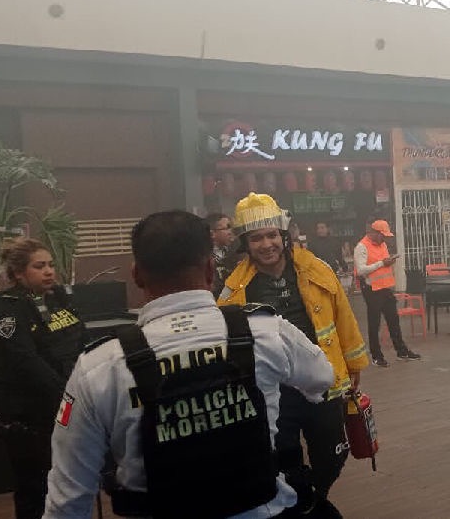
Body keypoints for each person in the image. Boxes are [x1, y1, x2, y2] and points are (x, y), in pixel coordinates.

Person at [44, 210, 335, 518]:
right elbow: (322, 379)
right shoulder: (266, 332)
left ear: (137, 274)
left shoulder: (99, 367)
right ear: (210, 269)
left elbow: (68, 500)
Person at [218, 193, 369, 518]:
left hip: (323, 383)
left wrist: (354, 364)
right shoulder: (233, 288)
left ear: (284, 235)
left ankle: (314, 496)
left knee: (333, 455)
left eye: (272, 235)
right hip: (273, 392)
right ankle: (304, 504)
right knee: (281, 458)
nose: (267, 244)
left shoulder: (318, 269)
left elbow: (344, 317)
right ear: (245, 243)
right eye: (257, 238)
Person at [0, 239, 89, 519]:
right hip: (29, 416)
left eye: (51, 265)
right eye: (39, 266)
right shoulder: (7, 309)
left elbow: (80, 340)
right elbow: (26, 362)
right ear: (19, 273)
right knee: (35, 489)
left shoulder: (59, 299)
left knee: (70, 484)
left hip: (67, 407)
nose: (49, 272)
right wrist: (69, 394)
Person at [353, 219, 421, 367]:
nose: (384, 239)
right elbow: (361, 270)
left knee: (393, 320)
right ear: (374, 233)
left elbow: (383, 263)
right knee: (374, 323)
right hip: (371, 290)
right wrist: (382, 263)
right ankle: (376, 356)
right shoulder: (361, 247)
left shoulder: (382, 244)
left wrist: (389, 262)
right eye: (382, 235)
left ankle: (401, 351)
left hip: (385, 288)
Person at [207, 212, 237, 295]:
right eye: (227, 228)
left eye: (230, 228)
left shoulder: (234, 253)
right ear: (212, 233)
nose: (230, 232)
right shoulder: (204, 257)